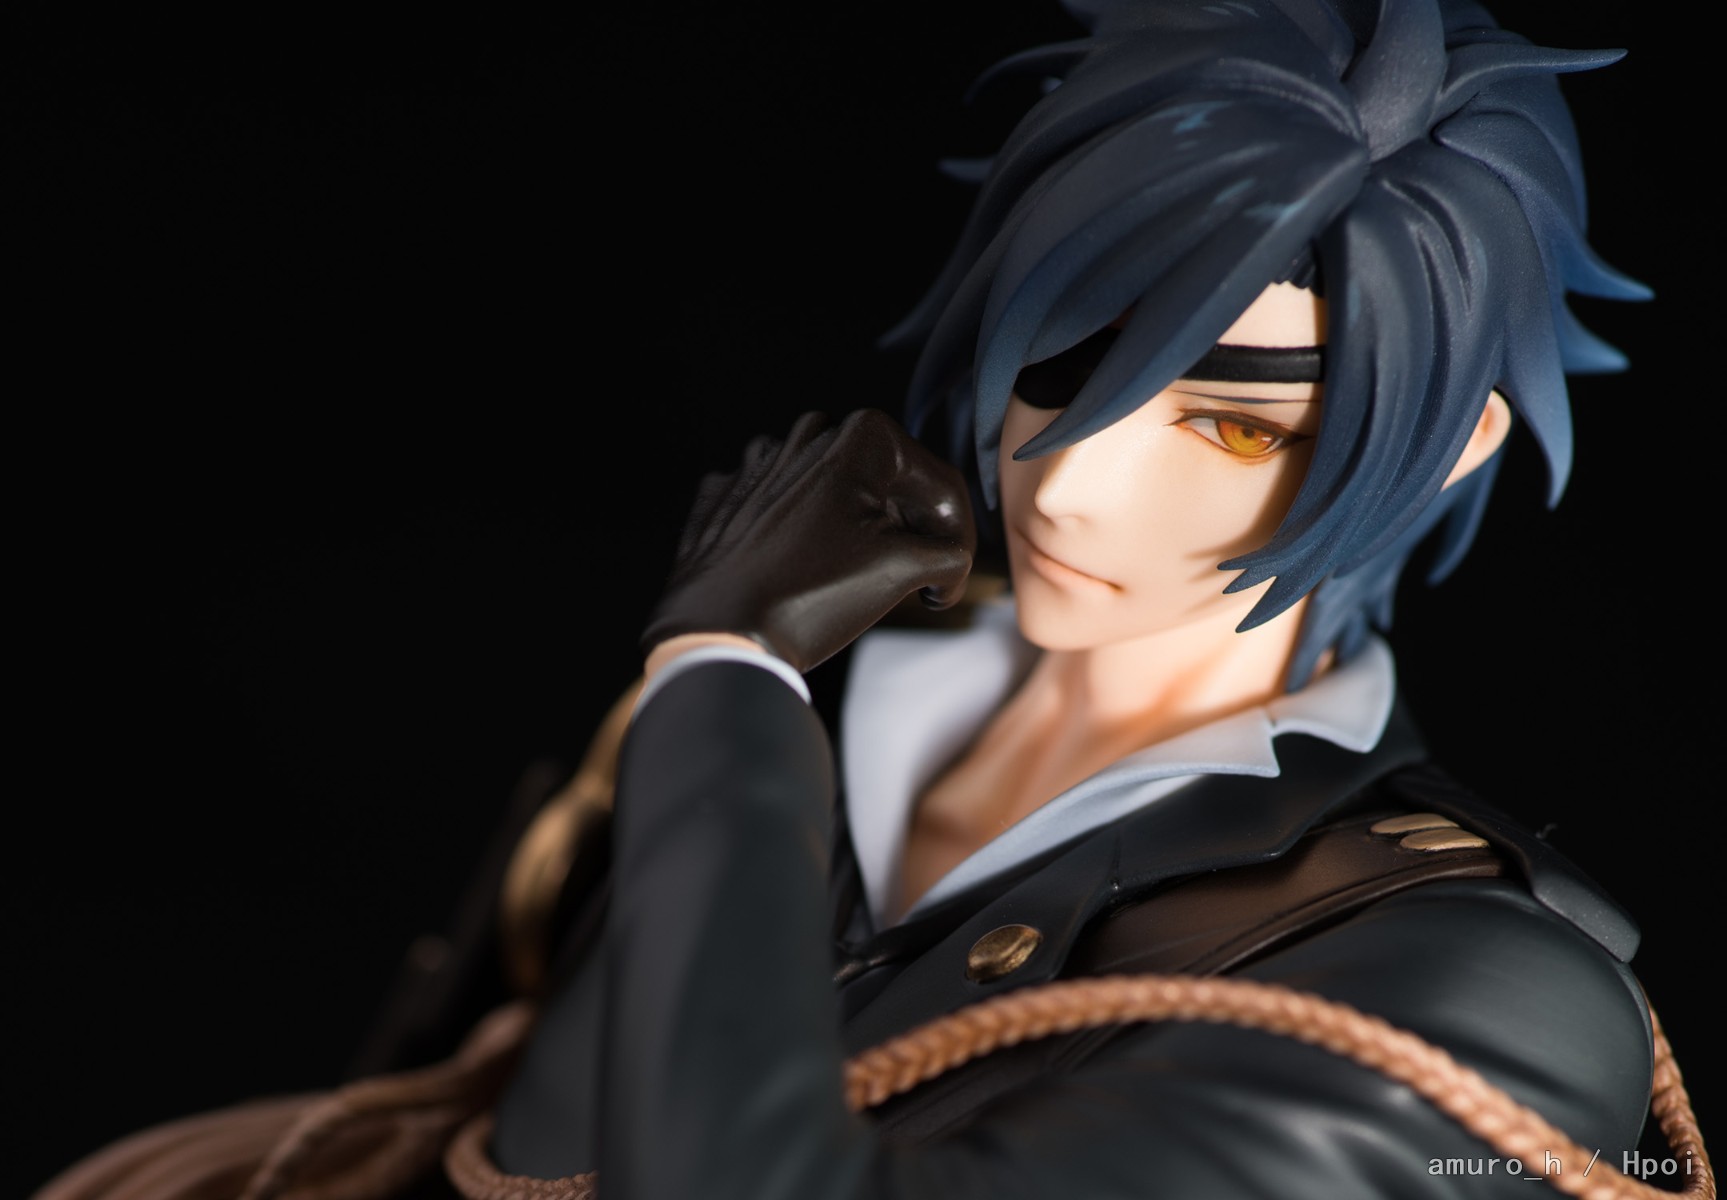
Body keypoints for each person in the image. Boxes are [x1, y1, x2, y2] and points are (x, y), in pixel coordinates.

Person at [30, 1, 1700, 1198]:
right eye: (1072, 363)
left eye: (1231, 423)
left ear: (1455, 446)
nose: (1073, 483)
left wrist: (723, 670)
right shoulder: (820, 695)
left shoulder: (1470, 994)